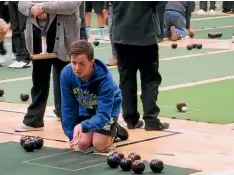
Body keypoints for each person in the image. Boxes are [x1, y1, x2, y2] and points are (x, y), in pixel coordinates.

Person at [14, 1, 82, 132]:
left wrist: (44, 7)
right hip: (38, 38)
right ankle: (34, 120)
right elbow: (21, 3)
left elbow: (72, 5)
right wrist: (32, 8)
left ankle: (69, 119)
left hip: (65, 39)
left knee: (67, 82)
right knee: (39, 82)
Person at [61, 40, 129, 153]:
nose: (77, 68)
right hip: (87, 107)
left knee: (99, 145)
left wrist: (83, 126)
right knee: (82, 145)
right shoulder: (66, 74)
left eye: (82, 63)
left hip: (107, 109)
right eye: (73, 62)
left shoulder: (104, 79)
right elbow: (68, 108)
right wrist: (71, 137)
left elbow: (103, 114)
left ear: (91, 62)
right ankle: (97, 129)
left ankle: (116, 129)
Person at [112, 2, 169, 130]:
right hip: (145, 36)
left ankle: (130, 119)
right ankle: (151, 119)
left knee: (126, 79)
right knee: (150, 78)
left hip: (121, 35)